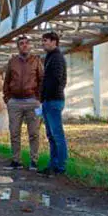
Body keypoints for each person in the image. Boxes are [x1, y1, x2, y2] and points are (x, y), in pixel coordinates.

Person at [2, 35, 44, 170]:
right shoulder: (12, 62)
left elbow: (42, 80)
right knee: (14, 132)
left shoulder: (36, 61)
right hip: (15, 102)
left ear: (29, 45)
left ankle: (34, 161)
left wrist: (39, 99)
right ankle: (16, 161)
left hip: (32, 101)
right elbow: (6, 81)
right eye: (21, 43)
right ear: (18, 47)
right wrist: (8, 99)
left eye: (26, 43)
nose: (24, 45)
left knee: (34, 133)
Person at [38, 31, 68, 177]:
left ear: (54, 41)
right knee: (51, 135)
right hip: (49, 101)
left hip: (53, 101)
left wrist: (46, 95)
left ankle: (60, 167)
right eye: (42, 40)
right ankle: (53, 165)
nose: (43, 43)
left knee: (57, 135)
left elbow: (57, 80)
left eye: (46, 40)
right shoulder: (50, 57)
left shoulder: (56, 58)